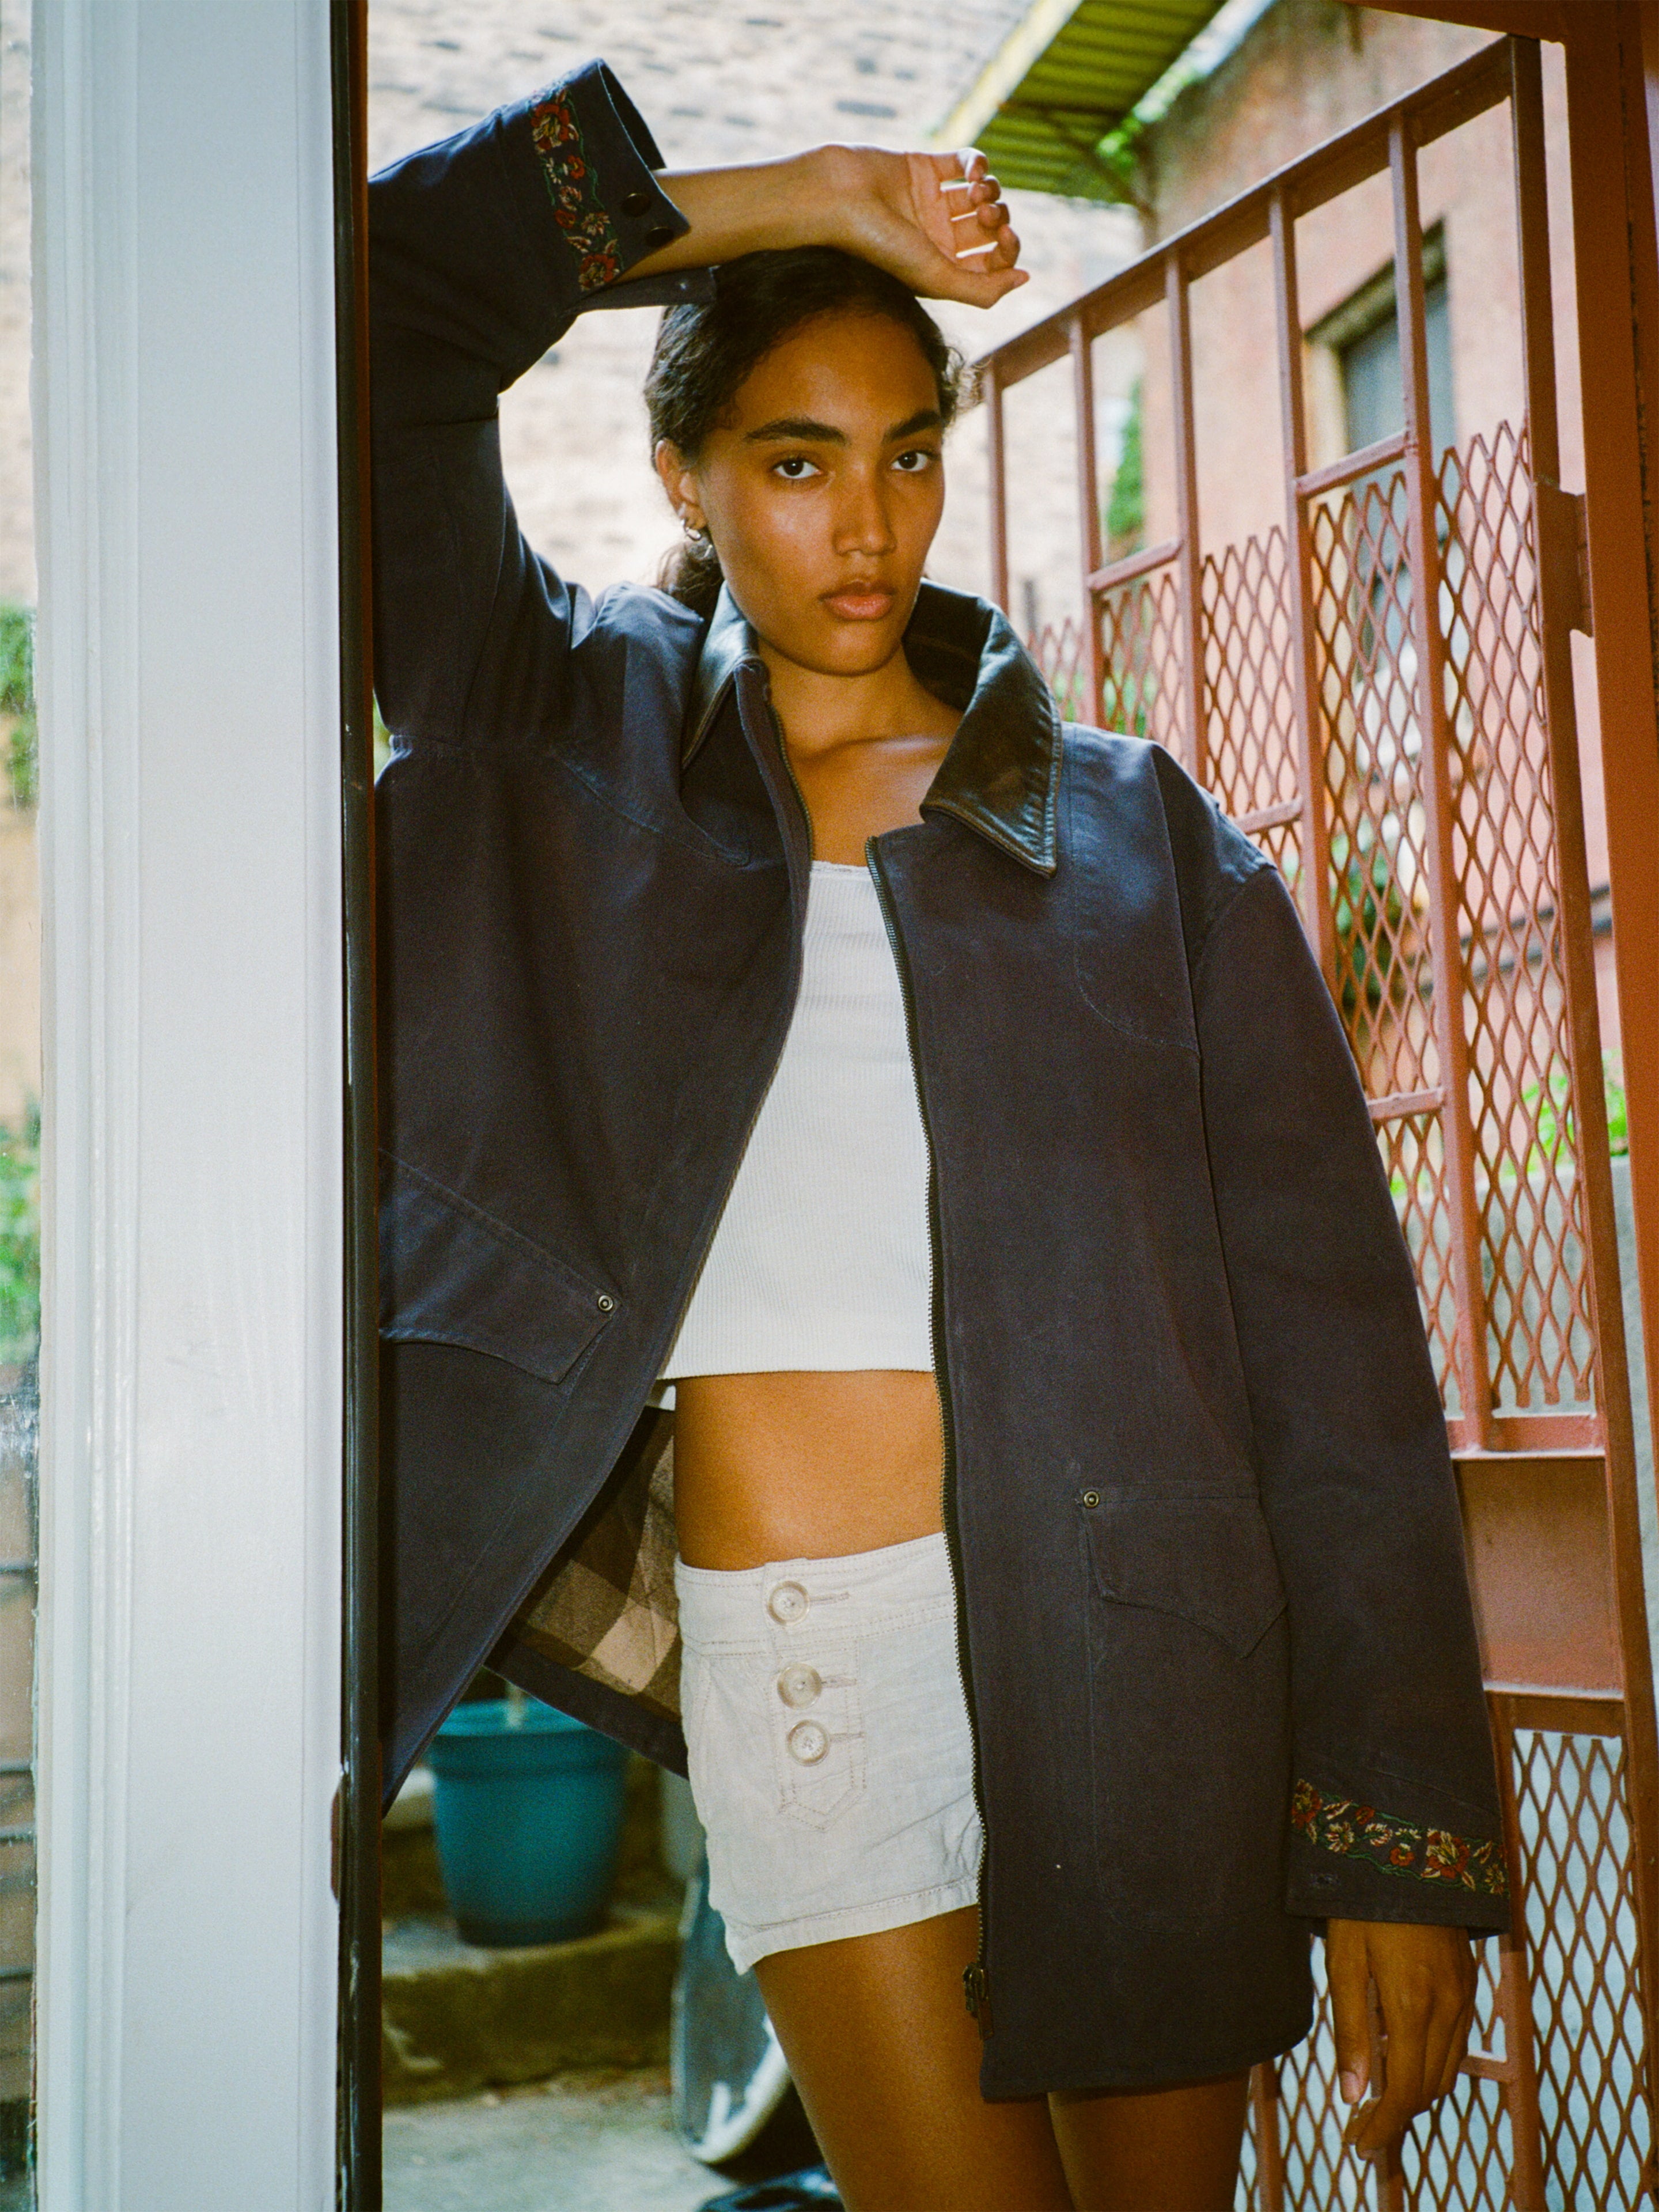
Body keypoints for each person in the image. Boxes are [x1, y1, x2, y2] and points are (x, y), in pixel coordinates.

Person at [370, 59, 1509, 2212]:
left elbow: (1340, 1375)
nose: (865, 527)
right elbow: (380, 307)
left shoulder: (1141, 844)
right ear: (687, 478)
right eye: (795, 463)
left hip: (1146, 1651)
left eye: (905, 457)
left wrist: (1397, 1839)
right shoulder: (551, 722)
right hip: (805, 1641)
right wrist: (801, 194)